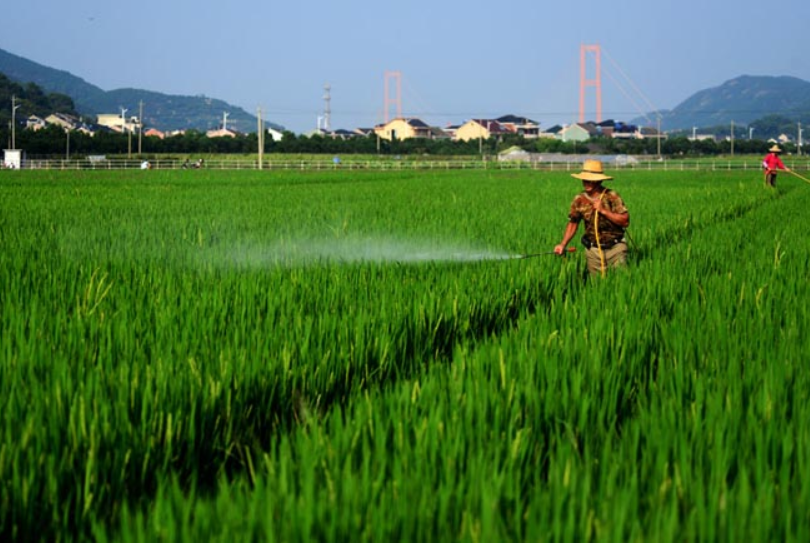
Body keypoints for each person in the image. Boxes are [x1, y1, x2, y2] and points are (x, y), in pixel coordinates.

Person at [554, 159, 630, 277]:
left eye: (591, 180)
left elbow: (625, 221)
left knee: (620, 283)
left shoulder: (611, 196)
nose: (587, 183)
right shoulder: (579, 199)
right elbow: (573, 223)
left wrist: (604, 211)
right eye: (585, 180)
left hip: (616, 248)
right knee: (596, 287)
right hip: (593, 251)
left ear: (599, 181)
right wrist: (562, 244)